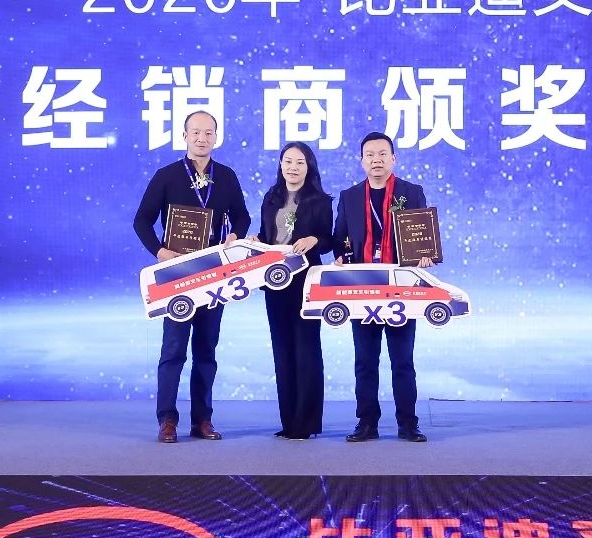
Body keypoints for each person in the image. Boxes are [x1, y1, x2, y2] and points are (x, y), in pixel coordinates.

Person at [132, 111, 250, 443]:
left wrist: (235, 236)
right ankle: (167, 420)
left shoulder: (226, 176)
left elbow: (242, 216)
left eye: (208, 133)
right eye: (196, 132)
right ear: (185, 136)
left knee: (206, 349)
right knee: (173, 348)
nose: (202, 138)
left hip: (215, 273)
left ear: (216, 137)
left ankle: (203, 420)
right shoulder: (167, 176)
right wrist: (159, 251)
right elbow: (142, 220)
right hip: (178, 274)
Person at [332, 131, 433, 443]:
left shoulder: (411, 192)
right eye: (370, 155)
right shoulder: (349, 196)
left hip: (401, 287)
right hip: (362, 289)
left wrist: (424, 255)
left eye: (382, 154)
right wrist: (340, 256)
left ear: (393, 158)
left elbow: (421, 235)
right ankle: (366, 424)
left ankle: (408, 424)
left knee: (403, 360)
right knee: (365, 361)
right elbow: (340, 236)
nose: (376, 160)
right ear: (361, 161)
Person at [255, 142, 333, 440]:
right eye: (288, 161)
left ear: (309, 166)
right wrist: (255, 241)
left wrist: (314, 239)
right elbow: (266, 235)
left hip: (305, 279)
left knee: (306, 348)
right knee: (282, 349)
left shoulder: (320, 200)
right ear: (281, 165)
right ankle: (288, 421)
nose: (293, 167)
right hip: (275, 281)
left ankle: (306, 422)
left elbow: (329, 240)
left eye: (300, 162)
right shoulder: (271, 197)